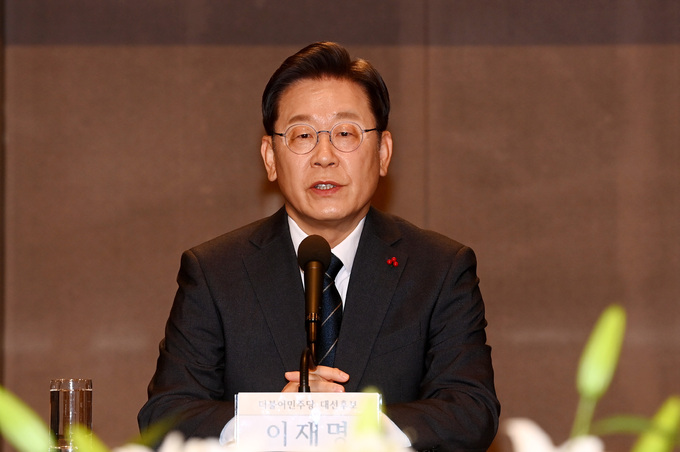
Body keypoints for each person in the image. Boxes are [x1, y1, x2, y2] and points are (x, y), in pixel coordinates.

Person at [138, 41, 500, 452]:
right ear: (270, 157)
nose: (324, 156)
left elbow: (472, 409)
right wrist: (270, 421)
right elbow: (164, 414)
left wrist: (350, 423)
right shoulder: (215, 272)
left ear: (383, 152)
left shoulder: (438, 269)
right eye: (303, 135)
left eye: (345, 133)